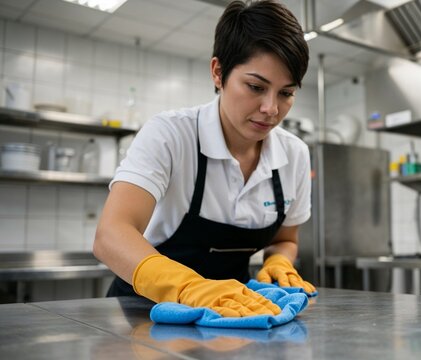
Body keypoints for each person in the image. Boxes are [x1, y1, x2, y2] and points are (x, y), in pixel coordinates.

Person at [94, 0, 316, 318]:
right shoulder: (171, 134)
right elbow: (111, 234)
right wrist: (187, 287)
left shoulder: (294, 154)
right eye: (256, 86)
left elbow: (285, 239)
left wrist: (278, 261)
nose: (272, 109)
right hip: (146, 314)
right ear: (218, 72)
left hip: (235, 314)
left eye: (286, 93)